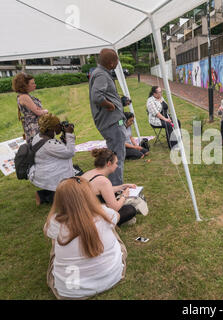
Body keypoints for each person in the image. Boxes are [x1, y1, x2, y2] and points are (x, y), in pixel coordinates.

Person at [44, 176, 127, 299]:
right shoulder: (104, 212)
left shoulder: (54, 222)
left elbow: (48, 232)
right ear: (89, 195)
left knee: (55, 240)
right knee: (111, 227)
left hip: (70, 291)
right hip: (112, 277)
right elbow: (117, 217)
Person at [89, 48, 131, 186]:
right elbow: (97, 96)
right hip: (112, 123)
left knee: (115, 155)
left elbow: (104, 95)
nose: (118, 64)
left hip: (113, 121)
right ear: (112, 63)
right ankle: (116, 188)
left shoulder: (101, 73)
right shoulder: (101, 75)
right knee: (116, 157)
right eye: (117, 61)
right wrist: (110, 106)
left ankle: (113, 186)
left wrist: (119, 102)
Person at [82, 148, 137, 226]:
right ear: (109, 163)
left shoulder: (89, 173)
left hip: (81, 212)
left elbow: (104, 191)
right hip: (91, 219)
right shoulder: (103, 181)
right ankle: (114, 224)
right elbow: (115, 208)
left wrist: (123, 186)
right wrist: (124, 195)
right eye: (116, 163)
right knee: (130, 209)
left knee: (116, 198)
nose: (117, 166)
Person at [28, 114, 75, 205]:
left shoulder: (39, 136)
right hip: (50, 174)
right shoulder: (49, 144)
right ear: (51, 128)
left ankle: (43, 195)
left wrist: (64, 138)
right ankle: (44, 196)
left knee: (77, 174)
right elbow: (70, 153)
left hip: (44, 171)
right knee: (71, 194)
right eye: (58, 125)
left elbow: (58, 149)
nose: (60, 126)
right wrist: (69, 134)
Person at [13, 73, 49, 143]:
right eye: (32, 83)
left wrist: (40, 110)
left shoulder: (25, 96)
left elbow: (37, 109)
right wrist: (46, 111)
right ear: (24, 85)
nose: (35, 85)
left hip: (35, 124)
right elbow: (38, 112)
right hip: (34, 126)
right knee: (38, 145)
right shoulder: (24, 97)